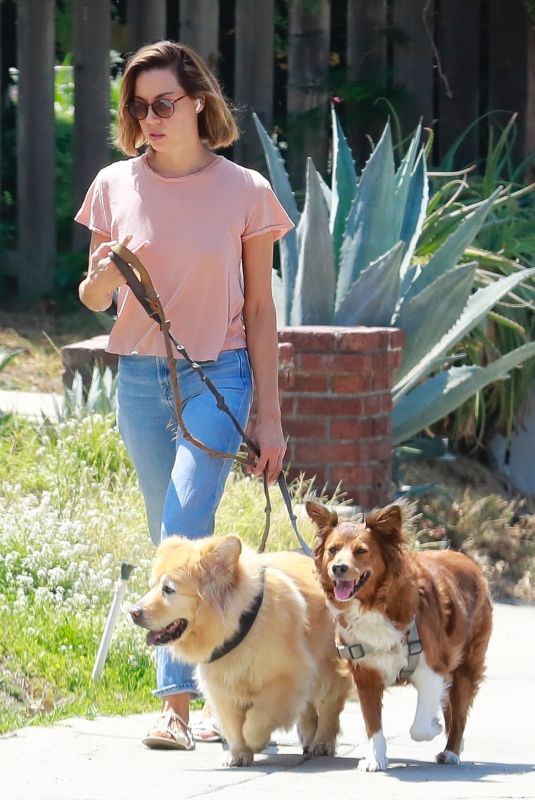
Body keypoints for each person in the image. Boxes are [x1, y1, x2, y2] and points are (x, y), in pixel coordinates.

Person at [76, 40, 293, 750]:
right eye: (138, 107)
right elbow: (91, 297)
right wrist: (105, 277)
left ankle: (174, 705)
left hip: (220, 373)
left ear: (198, 101)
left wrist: (271, 419)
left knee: (184, 512)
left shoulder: (245, 191)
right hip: (139, 376)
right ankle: (207, 683)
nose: (151, 118)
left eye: (164, 103)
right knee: (162, 531)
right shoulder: (114, 184)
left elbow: (261, 311)